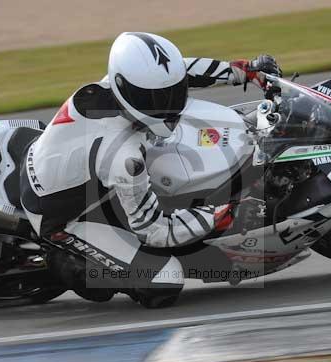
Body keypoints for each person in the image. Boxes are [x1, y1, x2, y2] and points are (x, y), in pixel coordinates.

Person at [20, 32, 281, 307]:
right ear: (128, 91)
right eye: (157, 99)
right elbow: (152, 230)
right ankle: (66, 261)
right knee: (163, 282)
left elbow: (183, 69)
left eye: (174, 92)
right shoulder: (124, 157)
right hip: (62, 215)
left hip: (69, 164)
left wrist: (244, 70)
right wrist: (218, 214)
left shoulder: (121, 86)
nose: (170, 104)